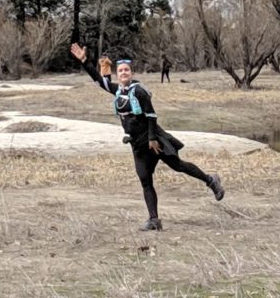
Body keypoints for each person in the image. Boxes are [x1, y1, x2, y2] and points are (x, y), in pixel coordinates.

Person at [70, 42, 224, 231]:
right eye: (121, 71)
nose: (124, 73)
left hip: (154, 141)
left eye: (127, 70)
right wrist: (85, 61)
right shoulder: (118, 91)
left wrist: (152, 139)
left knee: (178, 166)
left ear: (131, 73)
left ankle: (211, 181)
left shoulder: (139, 91)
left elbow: (151, 115)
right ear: (117, 74)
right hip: (138, 145)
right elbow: (98, 80)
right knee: (145, 180)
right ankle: (154, 220)